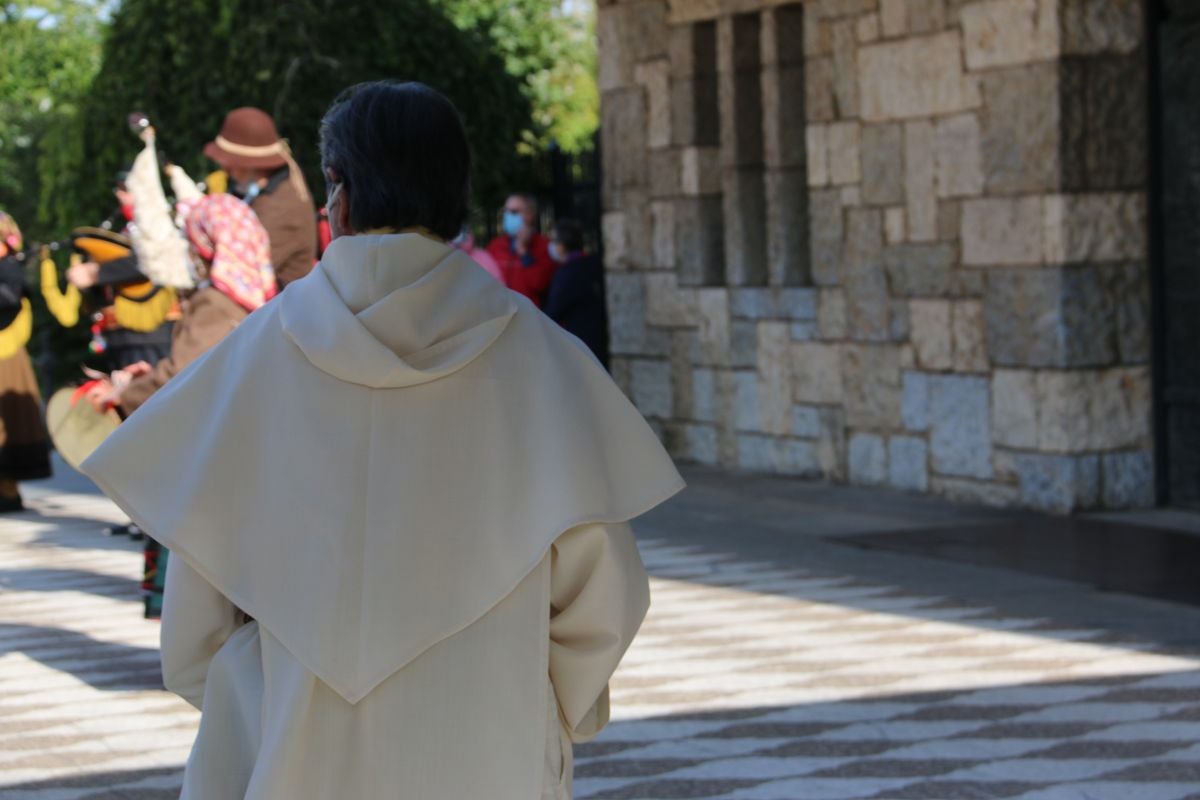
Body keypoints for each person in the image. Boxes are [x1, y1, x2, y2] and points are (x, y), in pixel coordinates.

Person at [82, 81, 683, 799]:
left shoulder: (256, 358)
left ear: (336, 190)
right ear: (457, 190)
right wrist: (530, 700)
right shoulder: (539, 359)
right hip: (487, 734)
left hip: (290, 735)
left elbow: (196, 621)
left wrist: (262, 695)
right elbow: (603, 603)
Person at [86, 192, 275, 618]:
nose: (190, 250)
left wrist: (123, 393)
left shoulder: (217, 301)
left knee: (200, 597)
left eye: (193, 240)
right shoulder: (256, 295)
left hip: (207, 461)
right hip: (240, 450)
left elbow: (180, 377)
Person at [204, 107, 316, 288]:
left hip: (282, 310)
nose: (225, 170)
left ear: (252, 164)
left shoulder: (280, 210)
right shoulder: (263, 188)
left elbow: (239, 273)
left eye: (232, 164)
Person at [0, 212, 52, 512]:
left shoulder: (9, 270)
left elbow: (8, 300)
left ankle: (8, 489)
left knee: (10, 418)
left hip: (6, 355)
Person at [543, 218, 610, 369]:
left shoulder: (568, 273)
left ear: (562, 245)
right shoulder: (593, 263)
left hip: (581, 343)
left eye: (554, 240)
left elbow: (553, 312)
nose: (551, 245)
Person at [486, 192, 558, 306]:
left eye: (514, 212)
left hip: (531, 317)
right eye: (506, 211)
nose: (508, 216)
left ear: (530, 215)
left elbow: (540, 284)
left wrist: (524, 252)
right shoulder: (495, 246)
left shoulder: (544, 246)